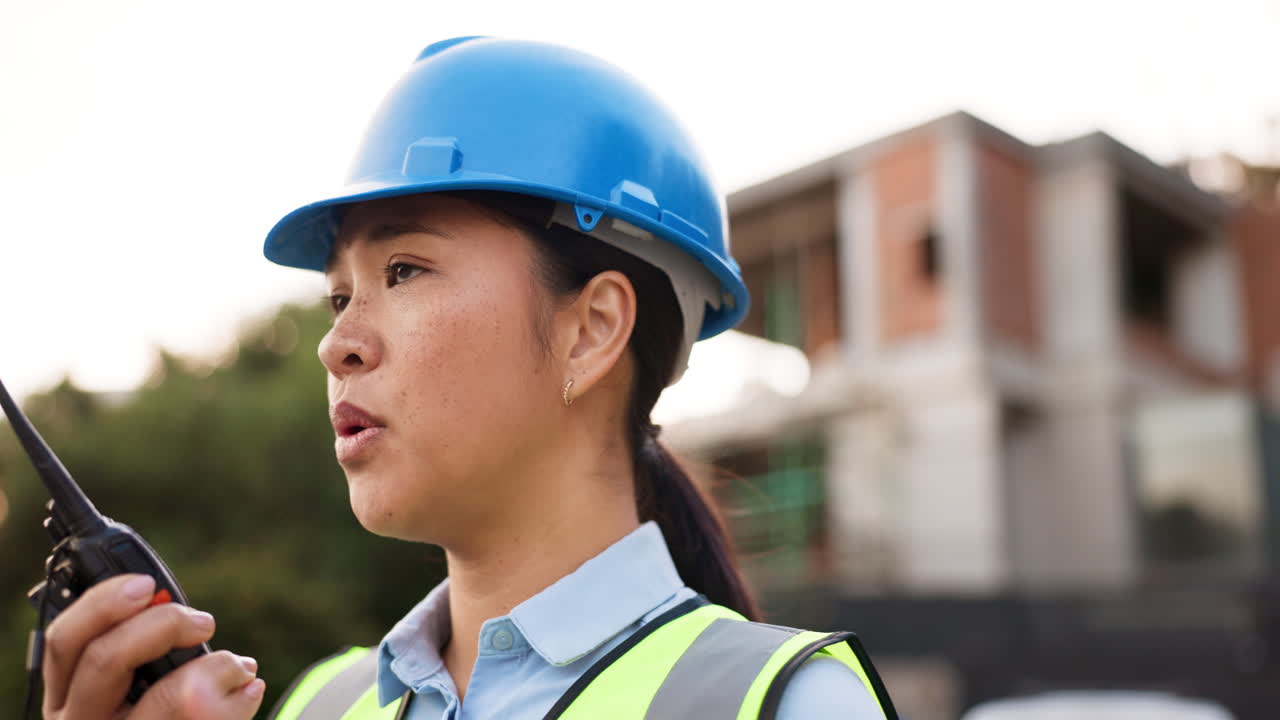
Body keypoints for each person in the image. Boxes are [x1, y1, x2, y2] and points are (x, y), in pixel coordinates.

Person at [37, 37, 896, 720]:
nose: (335, 343)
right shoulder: (322, 706)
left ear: (591, 330)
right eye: (340, 294)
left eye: (404, 270)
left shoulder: (792, 706)